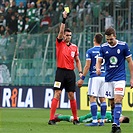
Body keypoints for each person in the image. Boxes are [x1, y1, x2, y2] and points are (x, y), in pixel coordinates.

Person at [48, 10, 82, 125]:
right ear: (63, 36)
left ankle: (76, 118)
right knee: (57, 93)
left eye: (70, 35)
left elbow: (77, 60)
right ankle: (51, 118)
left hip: (70, 73)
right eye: (66, 35)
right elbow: (61, 30)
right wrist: (64, 19)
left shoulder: (74, 47)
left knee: (71, 95)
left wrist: (80, 72)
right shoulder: (59, 43)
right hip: (60, 72)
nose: (68, 37)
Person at [96, 27, 133, 133]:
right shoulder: (103, 47)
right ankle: (115, 123)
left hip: (120, 78)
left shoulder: (123, 46)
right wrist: (98, 68)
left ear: (115, 36)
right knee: (112, 103)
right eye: (107, 39)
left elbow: (130, 61)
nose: (109, 42)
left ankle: (116, 124)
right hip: (108, 79)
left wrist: (132, 78)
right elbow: (99, 60)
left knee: (118, 99)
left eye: (111, 39)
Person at [77, 33, 107, 126]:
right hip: (104, 76)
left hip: (95, 77)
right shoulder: (105, 50)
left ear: (94, 39)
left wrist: (82, 78)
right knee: (103, 98)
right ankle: (102, 120)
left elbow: (87, 66)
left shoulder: (90, 51)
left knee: (92, 98)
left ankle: (94, 121)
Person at [53, 111, 130, 124]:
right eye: (121, 120)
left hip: (95, 113)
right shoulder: (113, 119)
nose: (119, 120)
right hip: (93, 117)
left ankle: (59, 117)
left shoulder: (118, 113)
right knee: (78, 120)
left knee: (77, 119)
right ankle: (59, 117)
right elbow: (102, 121)